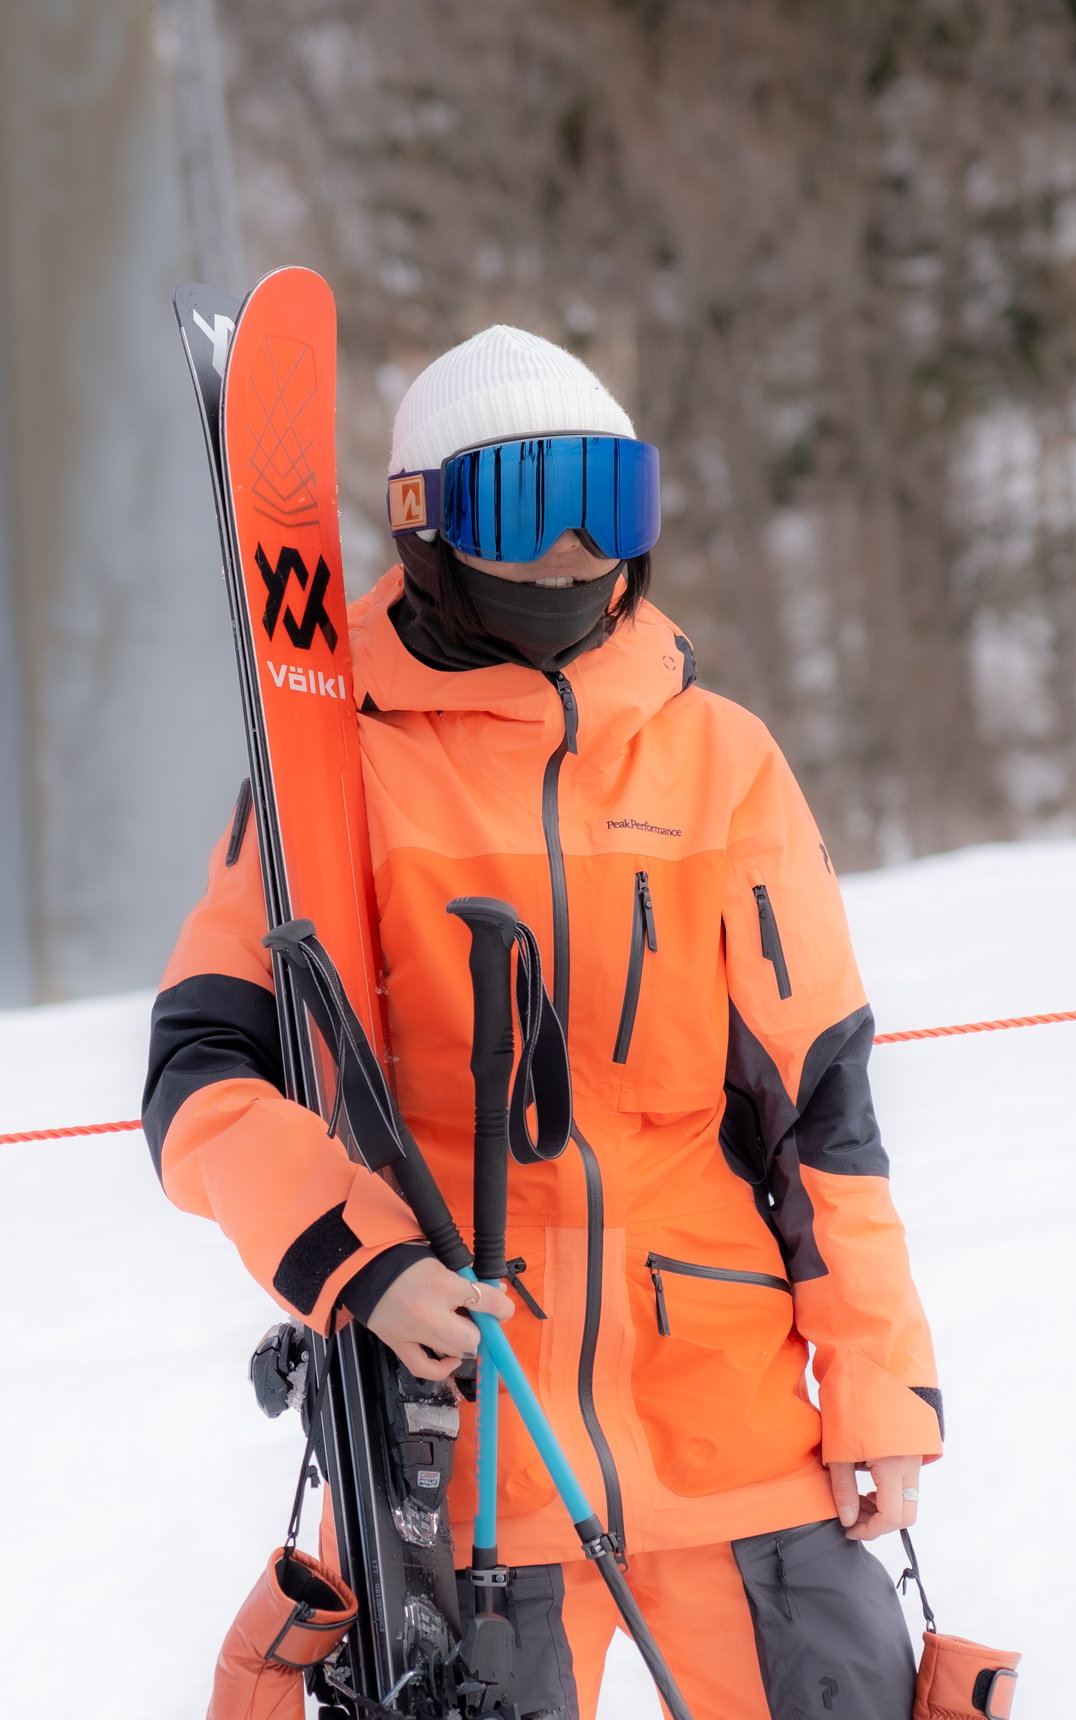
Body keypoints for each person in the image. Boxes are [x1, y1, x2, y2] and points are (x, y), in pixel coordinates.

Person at [144, 325, 944, 1720]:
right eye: (527, 503)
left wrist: (878, 1384)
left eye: (610, 502)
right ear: (429, 527)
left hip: (734, 1417)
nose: (577, 550)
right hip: (463, 1449)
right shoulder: (332, 776)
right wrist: (359, 1264)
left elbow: (823, 1113)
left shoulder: (724, 760)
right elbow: (200, 1080)